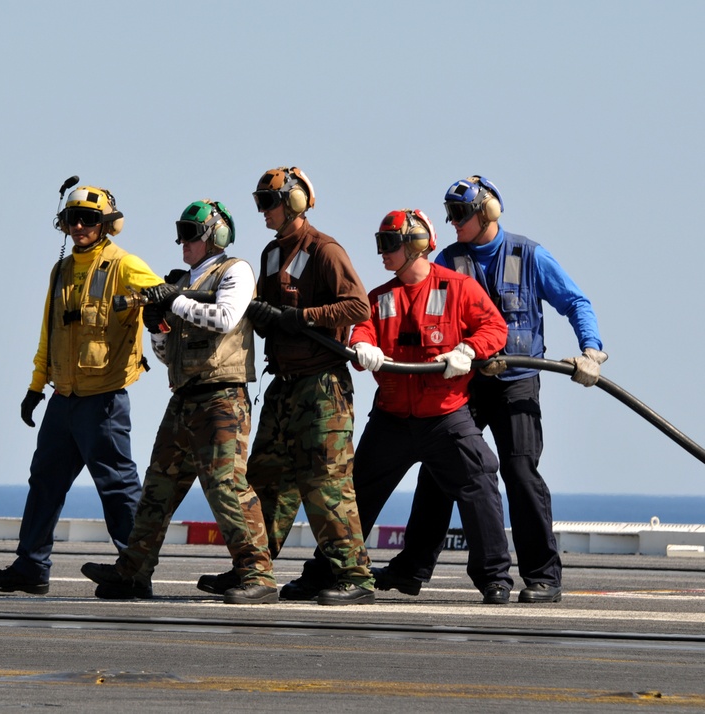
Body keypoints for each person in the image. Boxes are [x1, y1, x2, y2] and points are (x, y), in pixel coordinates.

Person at [371, 176, 607, 604]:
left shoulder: (529, 255)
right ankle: (411, 568)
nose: (452, 221)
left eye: (459, 214)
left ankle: (543, 576)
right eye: (450, 214)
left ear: (487, 213)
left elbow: (575, 302)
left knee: (520, 472)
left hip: (516, 385)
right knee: (439, 471)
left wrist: (590, 350)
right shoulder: (448, 259)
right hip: (466, 385)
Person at [281, 209, 516, 604]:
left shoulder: (459, 289)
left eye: (388, 245)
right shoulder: (380, 298)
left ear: (417, 246)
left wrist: (470, 348)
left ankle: (495, 578)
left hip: (445, 417)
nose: (381, 253)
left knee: (480, 482)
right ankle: (326, 572)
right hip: (391, 418)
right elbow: (363, 329)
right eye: (380, 244)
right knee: (354, 495)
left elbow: (495, 327)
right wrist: (364, 345)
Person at [80, 199, 279, 604]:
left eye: (189, 234)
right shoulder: (184, 280)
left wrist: (173, 301)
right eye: (181, 233)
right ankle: (133, 572)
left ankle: (258, 574)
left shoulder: (234, 271)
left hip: (223, 397)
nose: (181, 242)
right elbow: (167, 355)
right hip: (186, 398)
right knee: (159, 486)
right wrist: (156, 328)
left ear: (213, 237)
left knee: (226, 486)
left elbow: (225, 317)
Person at [197, 166, 377, 605]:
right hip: (284, 387)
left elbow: (358, 306)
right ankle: (253, 569)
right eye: (260, 203)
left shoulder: (325, 250)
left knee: (326, 482)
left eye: (269, 203)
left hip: (322, 389)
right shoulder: (271, 254)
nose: (263, 212)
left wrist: (305, 318)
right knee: (265, 480)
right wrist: (263, 317)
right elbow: (271, 320)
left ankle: (355, 576)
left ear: (294, 202)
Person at [0, 183, 163, 595]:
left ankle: (134, 572)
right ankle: (31, 566)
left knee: (116, 485)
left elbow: (163, 295)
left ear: (107, 224)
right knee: (44, 481)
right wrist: (35, 386)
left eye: (89, 220)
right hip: (62, 399)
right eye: (72, 219)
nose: (78, 226)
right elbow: (50, 332)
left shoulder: (124, 265)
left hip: (104, 399)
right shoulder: (61, 270)